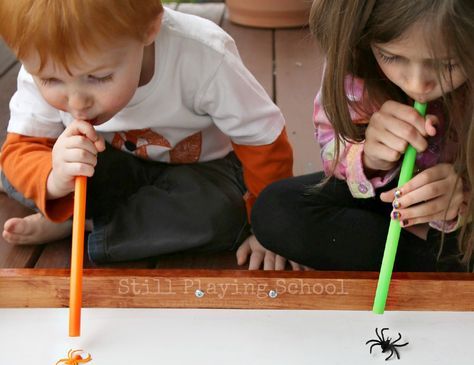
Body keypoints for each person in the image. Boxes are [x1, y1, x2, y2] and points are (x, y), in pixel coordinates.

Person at [0, 0, 295, 269]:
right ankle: (78, 212)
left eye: (99, 77)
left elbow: (262, 140)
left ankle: (81, 221)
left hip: (202, 170)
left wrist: (269, 227)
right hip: (108, 162)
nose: (76, 102)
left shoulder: (204, 56)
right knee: (15, 171)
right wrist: (55, 178)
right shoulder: (45, 53)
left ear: (149, 28)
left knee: (224, 213)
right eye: (50, 80)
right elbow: (22, 147)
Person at [252, 0, 473, 272]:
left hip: (464, 223)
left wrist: (464, 199)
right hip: (382, 198)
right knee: (276, 209)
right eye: (391, 56)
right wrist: (370, 158)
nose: (417, 84)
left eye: (448, 64)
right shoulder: (356, 57)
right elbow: (333, 149)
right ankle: (441, 266)